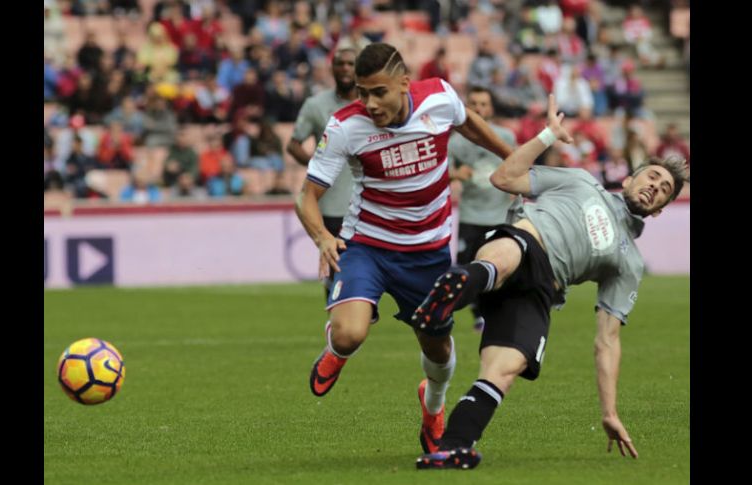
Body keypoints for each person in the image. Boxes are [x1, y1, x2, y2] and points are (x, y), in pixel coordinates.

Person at [413, 94, 689, 469]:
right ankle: (447, 297)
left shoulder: (629, 262)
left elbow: (607, 340)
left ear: (658, 210)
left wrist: (609, 411)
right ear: (628, 178)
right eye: (652, 177)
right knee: (508, 256)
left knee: (506, 368)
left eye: (664, 191)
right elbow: (503, 177)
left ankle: (451, 447)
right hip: (525, 240)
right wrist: (546, 136)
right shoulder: (580, 181)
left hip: (544, 290)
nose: (656, 186)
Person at [294, 42, 513, 455]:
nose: (370, 103)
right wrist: (323, 236)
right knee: (350, 334)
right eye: (362, 92)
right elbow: (306, 196)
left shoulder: (440, 98)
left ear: (404, 83)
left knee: (438, 349)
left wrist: (515, 158)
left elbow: (471, 125)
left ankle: (433, 408)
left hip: (428, 253)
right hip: (368, 246)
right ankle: (336, 347)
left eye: (379, 92)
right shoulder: (344, 126)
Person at [287, 47, 359, 301]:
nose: (346, 69)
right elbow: (293, 144)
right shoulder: (316, 105)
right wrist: (319, 166)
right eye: (341, 64)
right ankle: (337, 328)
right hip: (330, 204)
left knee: (365, 267)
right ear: (332, 69)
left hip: (366, 203)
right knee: (334, 270)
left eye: (351, 64)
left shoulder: (372, 104)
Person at [448, 86, 517, 332]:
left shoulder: (505, 137)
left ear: (491, 108)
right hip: (470, 214)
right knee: (468, 266)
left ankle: (495, 311)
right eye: (474, 104)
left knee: (503, 267)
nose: (479, 108)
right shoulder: (456, 143)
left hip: (499, 215)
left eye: (484, 104)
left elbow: (518, 164)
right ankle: (478, 314)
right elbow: (442, 173)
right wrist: (456, 173)